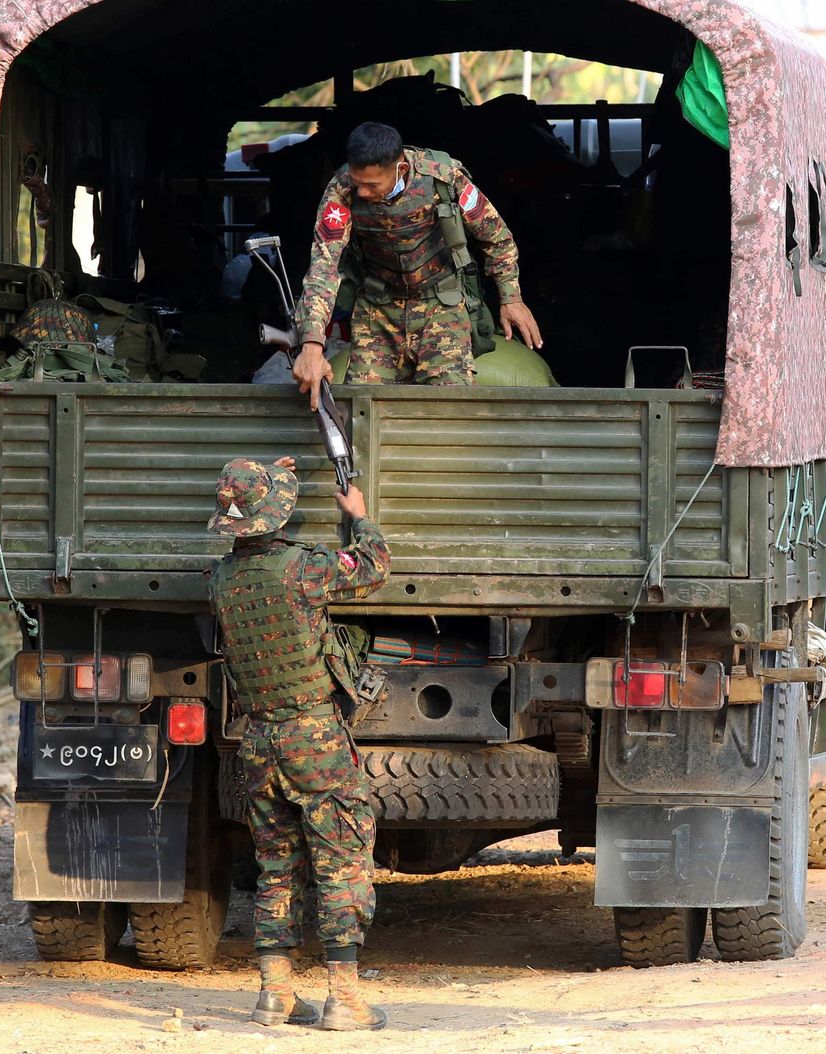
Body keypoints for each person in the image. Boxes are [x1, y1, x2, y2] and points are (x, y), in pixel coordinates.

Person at [208, 456, 391, 1031]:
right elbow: (373, 568)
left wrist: (272, 476)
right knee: (341, 859)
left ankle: (274, 995)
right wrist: (359, 518)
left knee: (275, 865)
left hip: (258, 742)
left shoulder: (221, 580)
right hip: (313, 738)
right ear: (277, 514)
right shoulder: (301, 569)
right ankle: (344, 1000)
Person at [291, 120, 543, 407]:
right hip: (378, 312)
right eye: (357, 182)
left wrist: (511, 298)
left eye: (372, 185)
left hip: (441, 307)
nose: (361, 193)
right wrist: (312, 342)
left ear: (400, 168)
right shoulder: (342, 189)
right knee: (362, 410)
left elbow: (497, 237)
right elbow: (324, 266)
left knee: (449, 409)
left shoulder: (443, 178)